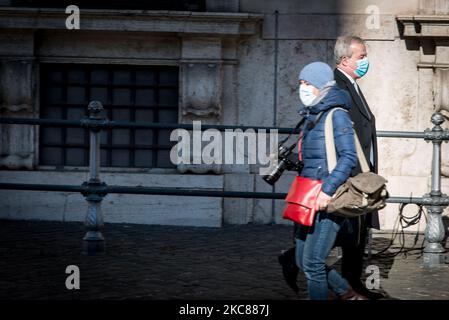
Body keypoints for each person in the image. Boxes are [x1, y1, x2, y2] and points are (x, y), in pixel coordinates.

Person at [293, 61, 366, 300]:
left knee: (313, 263)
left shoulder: (337, 115)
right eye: (301, 83)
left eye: (308, 83)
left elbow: (348, 157)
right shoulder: (312, 115)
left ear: (322, 85)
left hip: (327, 198)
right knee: (301, 259)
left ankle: (345, 293)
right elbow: (316, 156)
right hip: (307, 196)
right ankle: (346, 292)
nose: (303, 88)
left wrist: (327, 190)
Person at [333, 35, 383, 300]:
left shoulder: (351, 84)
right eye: (361, 56)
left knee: (357, 235)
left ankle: (353, 283)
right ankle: (347, 286)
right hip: (353, 177)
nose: (365, 61)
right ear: (345, 60)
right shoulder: (340, 86)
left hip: (363, 175)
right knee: (347, 235)